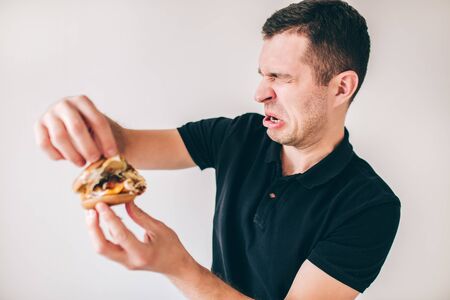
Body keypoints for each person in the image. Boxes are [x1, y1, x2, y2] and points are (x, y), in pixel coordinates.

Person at [34, 0, 401, 299]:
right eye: (262, 75)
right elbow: (123, 144)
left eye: (280, 78)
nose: (260, 94)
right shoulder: (238, 136)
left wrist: (177, 267)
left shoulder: (370, 206)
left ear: (341, 88)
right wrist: (76, 119)